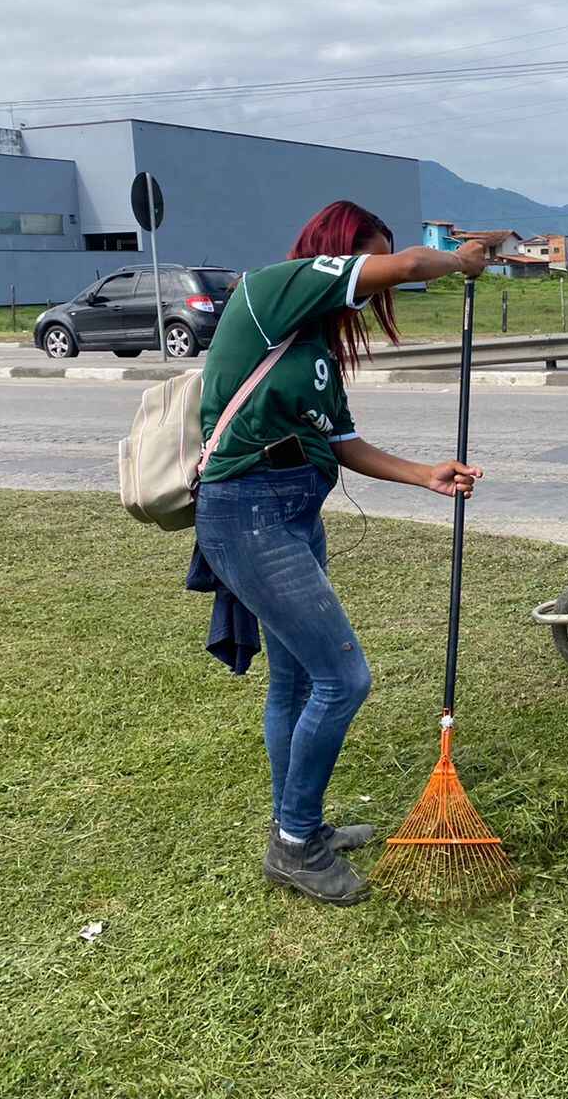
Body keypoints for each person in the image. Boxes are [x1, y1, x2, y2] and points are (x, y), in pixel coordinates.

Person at [193, 200, 489, 905]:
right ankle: (294, 844)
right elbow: (416, 262)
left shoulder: (313, 347)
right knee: (344, 679)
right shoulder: (274, 289)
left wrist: (425, 474)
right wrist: (460, 261)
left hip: (293, 516)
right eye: (373, 268)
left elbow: (342, 442)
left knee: (295, 683)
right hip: (248, 515)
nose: (382, 287)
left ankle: (302, 825)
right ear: (341, 253)